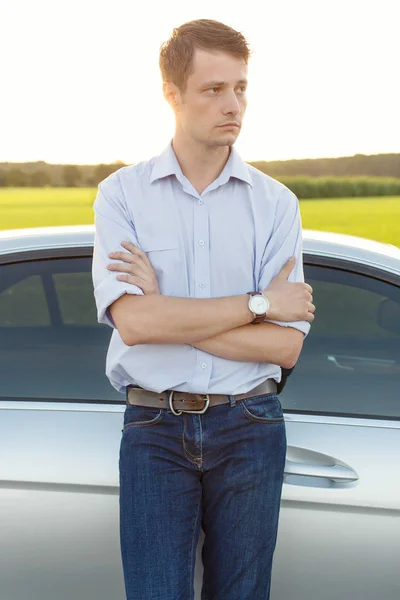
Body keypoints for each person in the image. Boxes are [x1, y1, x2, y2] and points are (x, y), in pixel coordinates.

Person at [92, 18, 315, 600]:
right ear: (172, 94)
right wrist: (256, 306)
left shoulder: (276, 205)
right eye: (214, 89)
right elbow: (135, 324)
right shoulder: (122, 195)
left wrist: (166, 312)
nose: (233, 104)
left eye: (241, 87)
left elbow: (283, 346)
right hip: (153, 428)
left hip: (251, 426)